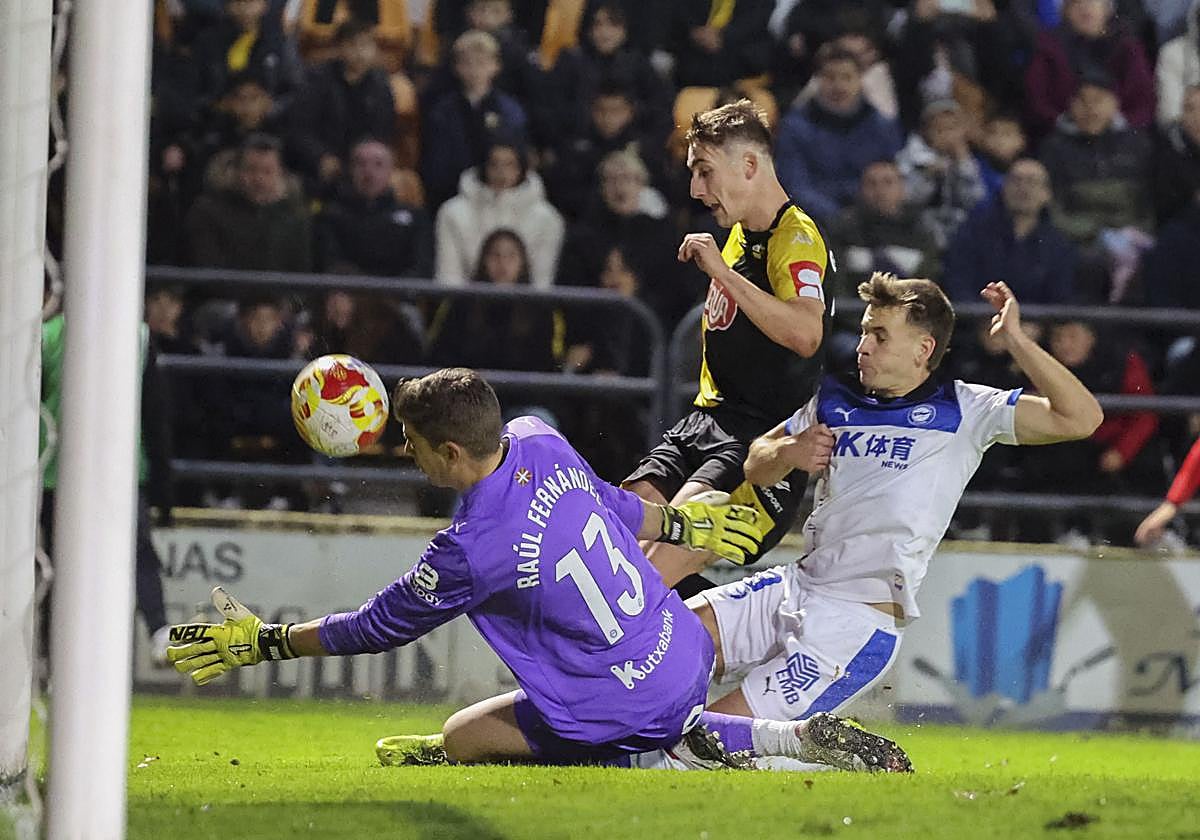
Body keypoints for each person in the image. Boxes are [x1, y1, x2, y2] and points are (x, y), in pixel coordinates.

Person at [166, 368, 911, 773]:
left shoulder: (467, 550)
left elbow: (375, 627)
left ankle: (670, 756)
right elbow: (620, 508)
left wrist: (267, 641)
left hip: (623, 702)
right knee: (566, 699)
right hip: (678, 644)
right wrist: (682, 524)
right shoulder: (539, 437)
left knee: (461, 737)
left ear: (452, 455)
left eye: (415, 443)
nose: (407, 453)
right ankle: (776, 735)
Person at [688, 274, 1102, 722]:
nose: (863, 345)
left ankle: (803, 759)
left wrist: (1016, 341)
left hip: (854, 623)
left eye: (880, 336)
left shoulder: (967, 410)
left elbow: (1081, 418)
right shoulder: (835, 399)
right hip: (793, 586)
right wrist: (789, 451)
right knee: (658, 641)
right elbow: (756, 464)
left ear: (923, 350)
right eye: (865, 331)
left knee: (711, 737)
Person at [622, 100, 830, 598]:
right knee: (614, 534)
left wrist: (721, 272)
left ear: (750, 166)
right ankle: (699, 643)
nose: (696, 189)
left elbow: (806, 334)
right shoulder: (738, 236)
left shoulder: (796, 236)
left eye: (705, 172)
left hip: (757, 444)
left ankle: (619, 667)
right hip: (703, 422)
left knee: (644, 577)